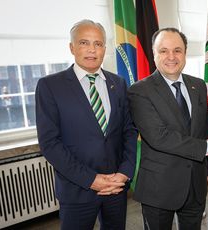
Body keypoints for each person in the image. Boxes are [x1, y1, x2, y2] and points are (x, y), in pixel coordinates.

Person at [35, 19, 137, 229]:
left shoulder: (117, 83)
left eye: (98, 44)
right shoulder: (50, 86)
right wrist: (91, 179)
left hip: (116, 187)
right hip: (77, 190)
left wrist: (125, 173)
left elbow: (128, 131)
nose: (92, 50)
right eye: (84, 42)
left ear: (104, 49)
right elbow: (50, 143)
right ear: (72, 47)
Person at [128, 27, 208, 230]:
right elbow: (159, 137)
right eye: (163, 51)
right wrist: (207, 148)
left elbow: (202, 130)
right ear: (154, 54)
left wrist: (205, 171)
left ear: (185, 53)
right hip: (159, 187)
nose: (171, 56)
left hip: (195, 186)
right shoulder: (139, 90)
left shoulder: (198, 85)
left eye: (177, 50)